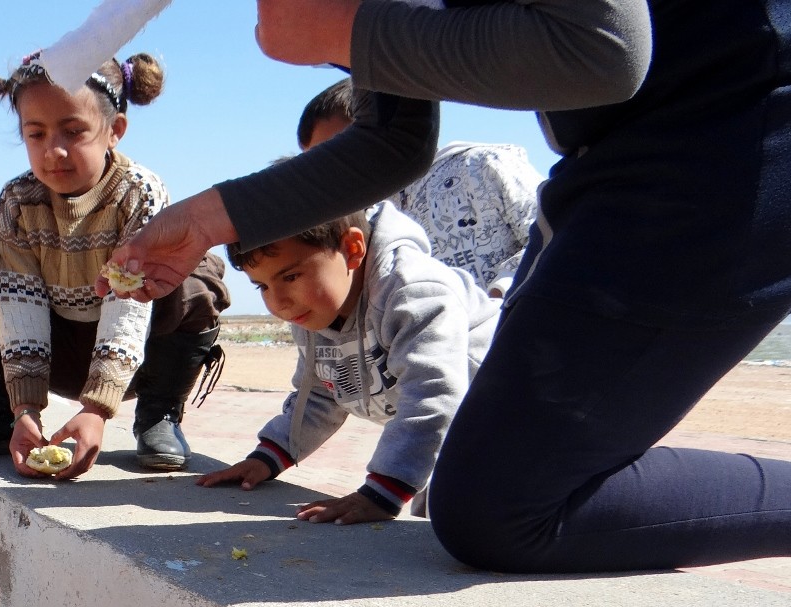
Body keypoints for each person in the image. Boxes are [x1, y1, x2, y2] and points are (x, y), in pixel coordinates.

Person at [109, 0, 791, 573]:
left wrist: (351, 31)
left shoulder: (413, 289)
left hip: (738, 123)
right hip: (610, 156)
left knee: (495, 503)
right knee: (490, 482)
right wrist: (199, 222)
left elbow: (606, 49)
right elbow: (392, 143)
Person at [0, 52, 229, 478]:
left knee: (198, 276)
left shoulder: (139, 193)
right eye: (36, 134)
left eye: (73, 131)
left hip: (137, 357)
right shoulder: (17, 203)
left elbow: (130, 303)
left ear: (114, 131)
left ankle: (158, 416)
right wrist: (24, 407)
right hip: (55, 353)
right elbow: (19, 306)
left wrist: (97, 408)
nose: (54, 151)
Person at [198, 203, 499, 524]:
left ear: (352, 249)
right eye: (263, 286)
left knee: (479, 526)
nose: (278, 302)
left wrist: (381, 493)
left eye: (291, 275)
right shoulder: (313, 313)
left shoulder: (413, 291)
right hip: (454, 433)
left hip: (514, 415)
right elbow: (319, 395)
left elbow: (433, 395)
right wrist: (267, 458)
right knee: (440, 524)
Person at [298, 78, 542, 298]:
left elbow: (554, 234)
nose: (331, 173)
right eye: (319, 165)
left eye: (336, 155)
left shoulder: (482, 166)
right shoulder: (362, 218)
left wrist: (499, 294)